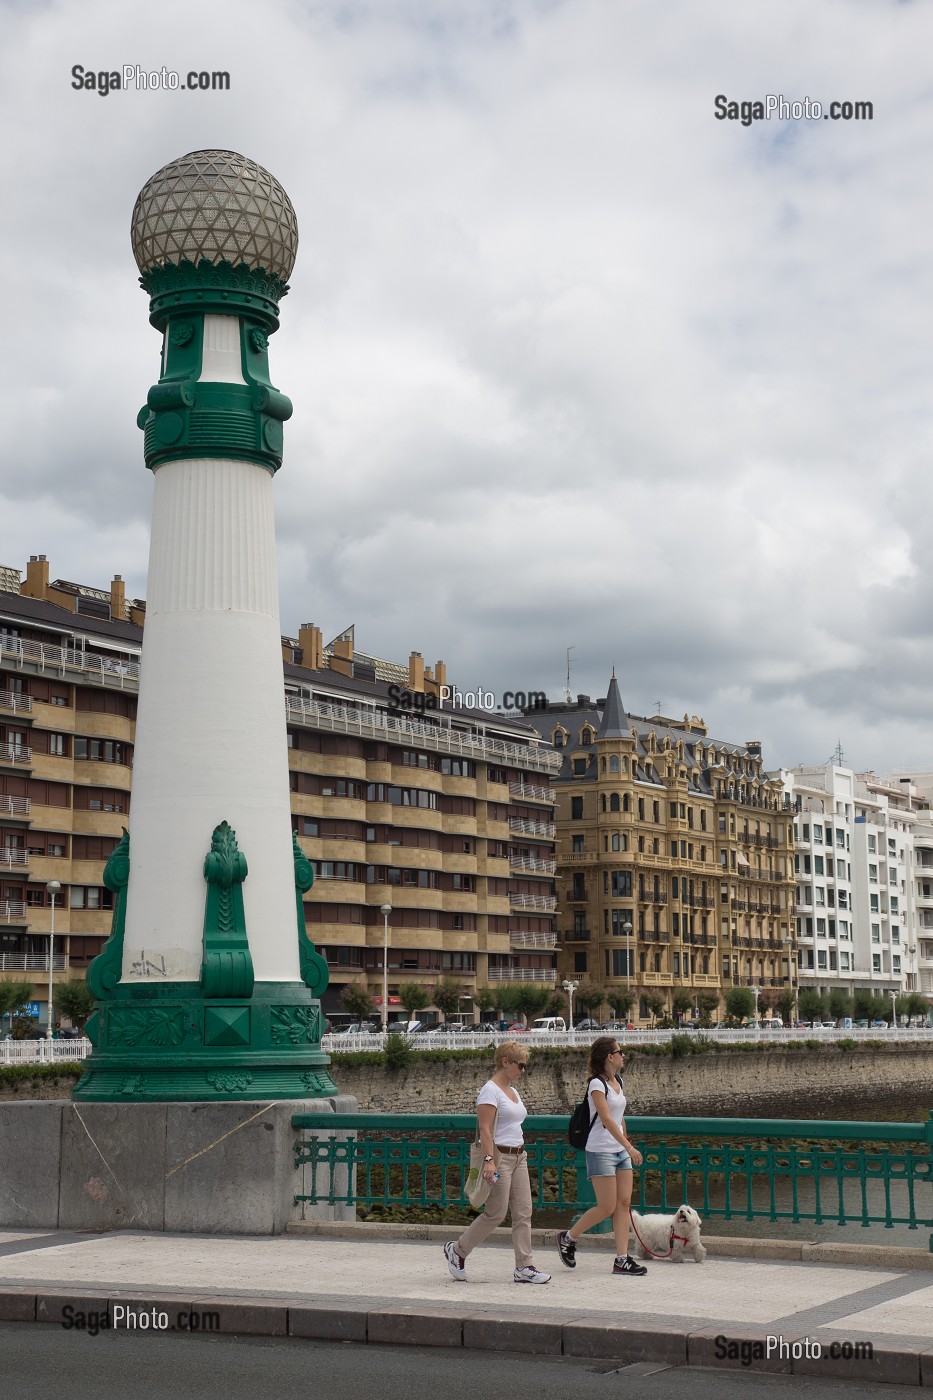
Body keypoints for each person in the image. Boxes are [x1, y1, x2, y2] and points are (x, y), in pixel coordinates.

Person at [444, 1041, 551, 1285]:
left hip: (519, 1156)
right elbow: (485, 1129)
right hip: (499, 1159)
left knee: (524, 1212)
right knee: (496, 1213)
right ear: (506, 1062)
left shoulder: (513, 1091)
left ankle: (524, 1267)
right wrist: (489, 1161)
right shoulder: (490, 1091)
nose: (523, 1070)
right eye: (520, 1065)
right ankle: (458, 1250)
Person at [556, 1035, 647, 1276]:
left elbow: (619, 1116)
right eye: (620, 1052)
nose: (623, 1056)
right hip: (600, 1150)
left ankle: (622, 1259)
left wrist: (626, 1141)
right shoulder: (597, 1084)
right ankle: (568, 1237)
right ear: (610, 1056)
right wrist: (629, 1148)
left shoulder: (618, 1081)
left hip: (620, 1149)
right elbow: (606, 1119)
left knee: (623, 1204)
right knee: (606, 1206)